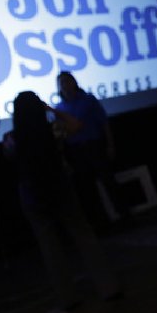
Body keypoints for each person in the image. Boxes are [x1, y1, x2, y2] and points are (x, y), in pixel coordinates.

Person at [10, 91, 121, 309]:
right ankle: (109, 288)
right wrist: (51, 109)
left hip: (32, 194)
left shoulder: (11, 139)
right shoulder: (53, 130)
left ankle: (67, 298)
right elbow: (76, 125)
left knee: (50, 247)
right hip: (60, 187)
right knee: (83, 236)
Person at [54, 71, 124, 230]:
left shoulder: (87, 100)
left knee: (109, 182)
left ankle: (124, 216)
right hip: (76, 151)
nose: (65, 85)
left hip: (94, 146)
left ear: (74, 82)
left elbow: (102, 123)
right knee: (88, 189)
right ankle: (102, 224)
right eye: (61, 82)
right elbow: (62, 135)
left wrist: (110, 144)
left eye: (67, 81)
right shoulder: (60, 108)